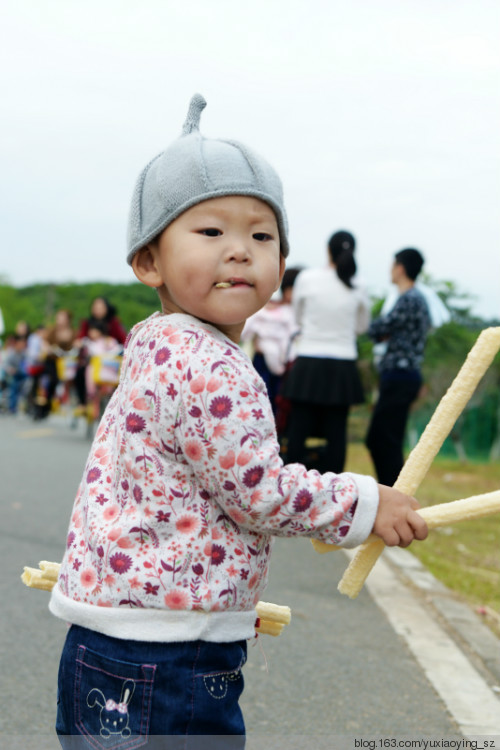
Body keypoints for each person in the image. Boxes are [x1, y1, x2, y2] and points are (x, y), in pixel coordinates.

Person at [49, 94, 427, 747]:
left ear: (282, 266)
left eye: (260, 235)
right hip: (168, 656)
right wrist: (366, 503)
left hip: (104, 634)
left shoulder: (155, 343)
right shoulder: (213, 368)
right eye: (209, 231)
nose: (239, 251)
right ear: (148, 261)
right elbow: (259, 493)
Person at [281, 230, 370, 473]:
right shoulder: (359, 283)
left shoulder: (307, 278)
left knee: (298, 429)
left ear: (328, 250)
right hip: (343, 364)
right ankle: (336, 492)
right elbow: (362, 326)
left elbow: (297, 318)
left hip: (309, 360)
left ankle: (291, 486)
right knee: (336, 433)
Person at [365, 248, 431, 487]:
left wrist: (382, 332)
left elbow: (376, 329)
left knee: (382, 439)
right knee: (385, 438)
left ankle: (395, 494)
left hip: (400, 376)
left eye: (393, 265)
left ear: (400, 268)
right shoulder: (417, 299)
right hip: (403, 376)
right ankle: (395, 492)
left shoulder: (409, 299)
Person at [240, 266, 301, 413]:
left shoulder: (295, 312)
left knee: (280, 399)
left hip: (288, 362)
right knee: (264, 396)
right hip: (264, 359)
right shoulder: (271, 308)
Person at [74, 297, 127, 407]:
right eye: (95, 307)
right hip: (93, 359)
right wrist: (79, 343)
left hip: (110, 360)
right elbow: (80, 339)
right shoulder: (87, 323)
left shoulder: (113, 322)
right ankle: (83, 402)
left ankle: (119, 403)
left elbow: (123, 340)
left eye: (100, 307)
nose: (98, 309)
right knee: (80, 373)